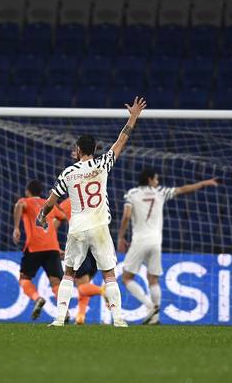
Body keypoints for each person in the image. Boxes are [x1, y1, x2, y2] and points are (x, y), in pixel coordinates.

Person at [36, 96, 147, 327]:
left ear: (77, 150)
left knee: (68, 273)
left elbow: (50, 201)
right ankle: (118, 320)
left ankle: (58, 319)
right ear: (95, 149)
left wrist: (41, 215)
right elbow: (120, 142)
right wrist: (133, 116)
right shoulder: (103, 163)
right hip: (99, 227)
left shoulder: (68, 172)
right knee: (109, 274)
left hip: (77, 228)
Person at [117, 168, 219, 324]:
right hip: (156, 242)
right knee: (153, 279)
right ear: (150, 179)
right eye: (156, 179)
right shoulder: (161, 192)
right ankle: (155, 318)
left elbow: (127, 216)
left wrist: (121, 236)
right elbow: (183, 189)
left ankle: (150, 306)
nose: (158, 182)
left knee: (126, 278)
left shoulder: (132, 193)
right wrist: (204, 183)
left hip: (139, 240)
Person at [12, 179, 67, 320]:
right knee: (56, 282)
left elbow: (19, 205)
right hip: (52, 248)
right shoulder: (49, 204)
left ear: (27, 191)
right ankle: (64, 311)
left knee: (24, 279)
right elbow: (63, 217)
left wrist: (16, 228)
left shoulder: (27, 201)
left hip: (34, 247)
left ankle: (37, 299)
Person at [55, 197, 105, 325]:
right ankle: (80, 316)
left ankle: (104, 291)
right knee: (84, 281)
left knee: (82, 285)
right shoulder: (94, 198)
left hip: (80, 244)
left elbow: (54, 226)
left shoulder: (67, 203)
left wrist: (55, 247)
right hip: (98, 243)